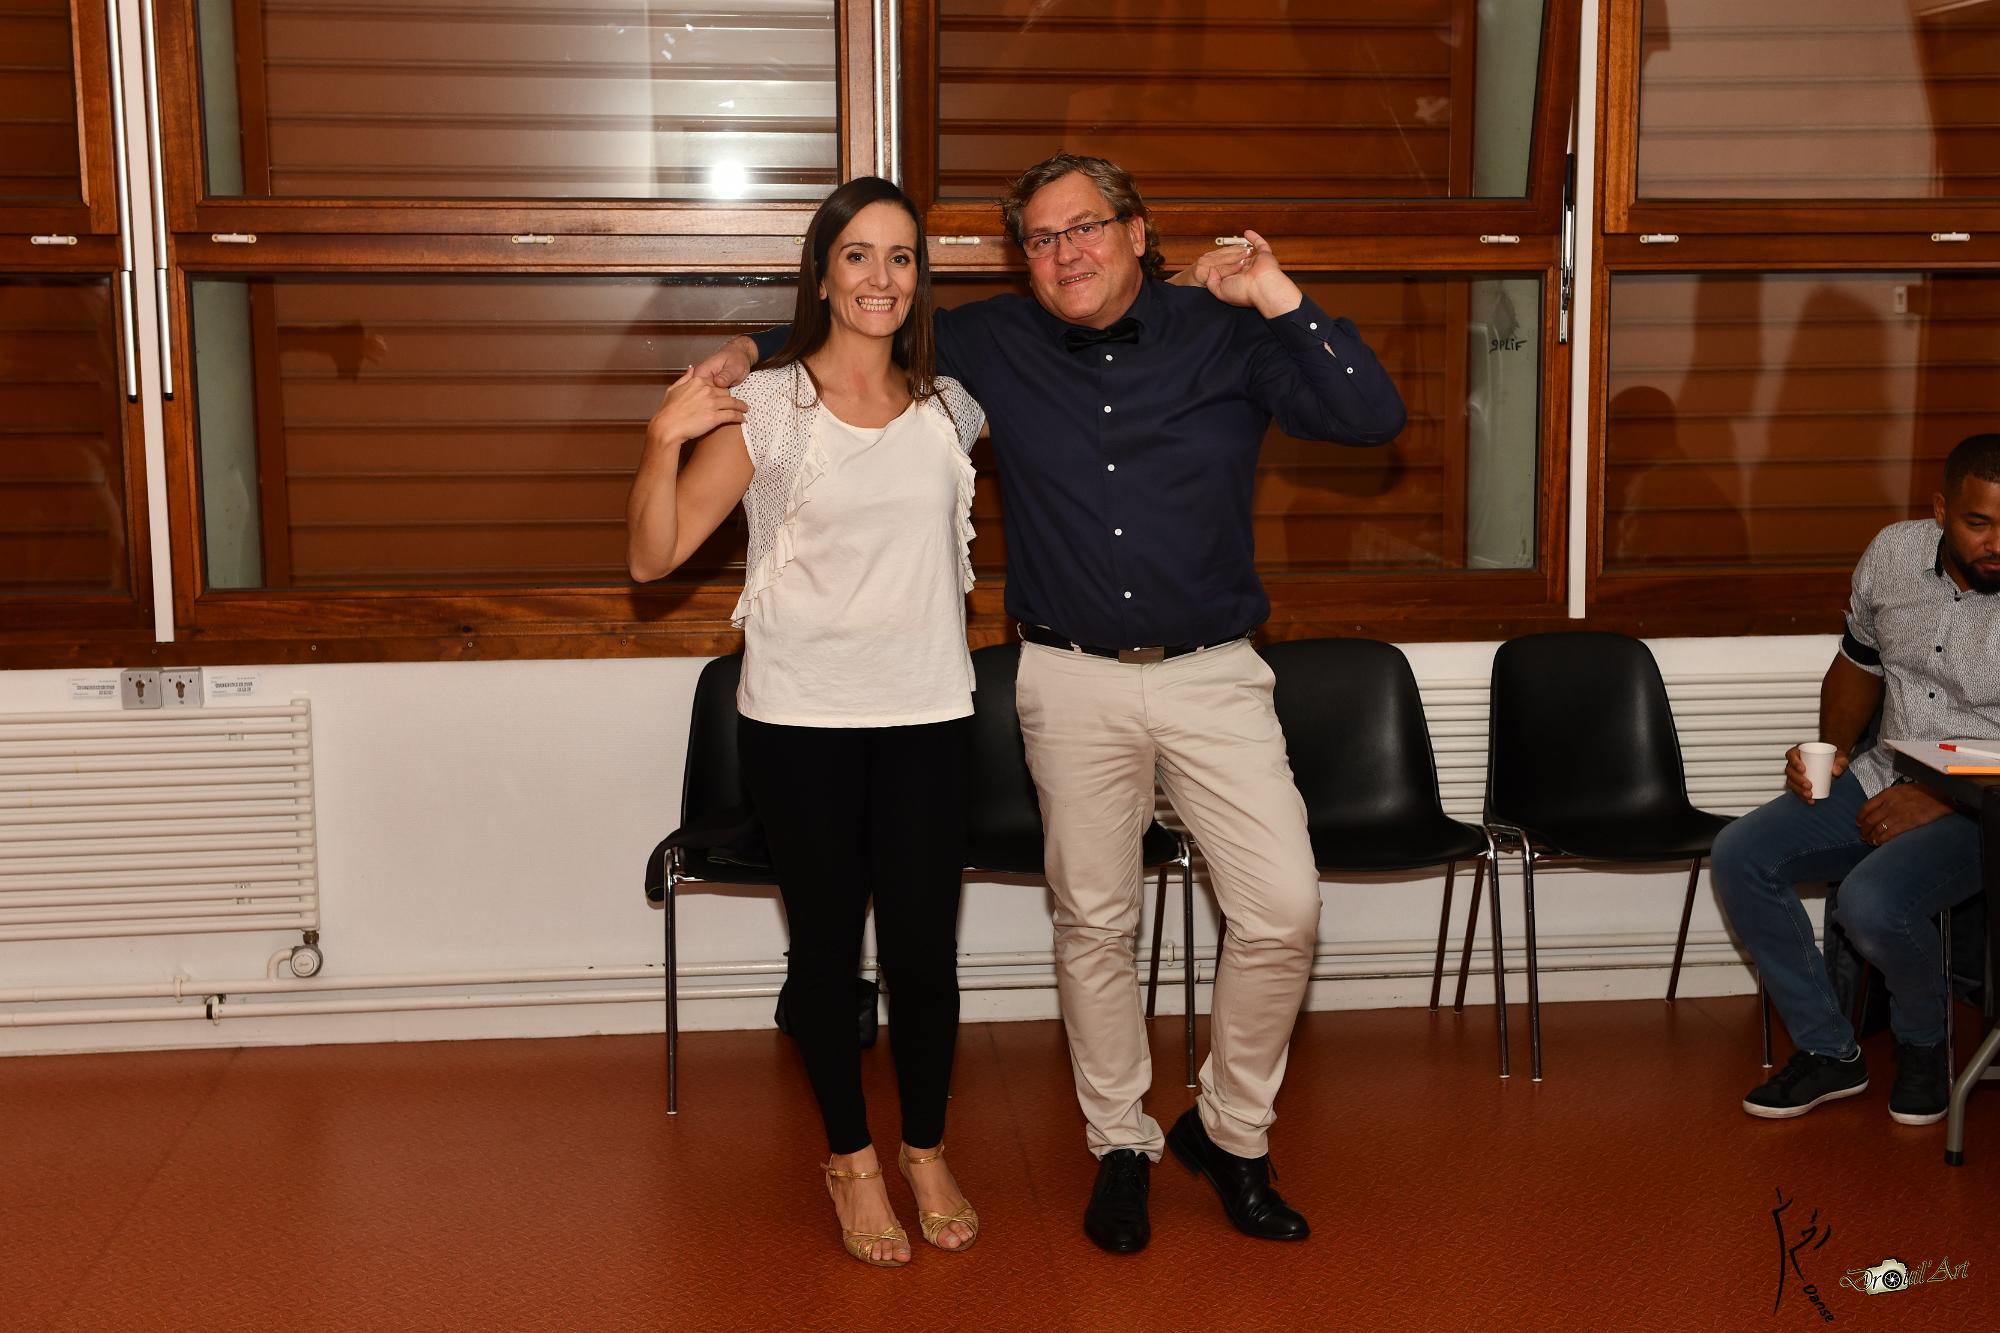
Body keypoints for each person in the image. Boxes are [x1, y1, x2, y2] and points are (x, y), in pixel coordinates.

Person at [693, 153, 1405, 1252]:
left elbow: (1369, 414)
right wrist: (744, 353)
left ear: (1136, 231)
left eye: (1086, 228)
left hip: (1215, 671)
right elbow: (852, 322)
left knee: (1283, 911)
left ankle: (1231, 1130)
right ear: (1020, 258)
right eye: (1040, 238)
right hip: (1068, 676)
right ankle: (1119, 1141)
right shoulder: (988, 342)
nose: (1065, 253)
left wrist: (1274, 290)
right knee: (1094, 923)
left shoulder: (1223, 331)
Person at [627, 176, 985, 1268]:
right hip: (799, 724)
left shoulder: (951, 407)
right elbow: (652, 557)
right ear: (823, 274)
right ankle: (851, 1159)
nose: (881, 277)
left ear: (919, 278)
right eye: (857, 255)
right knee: (827, 953)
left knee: (924, 954)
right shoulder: (772, 407)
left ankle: (924, 1148)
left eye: (901, 257)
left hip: (929, 713)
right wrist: (661, 439)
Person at [1711, 432, 2000, 1126]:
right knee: (1741, 854)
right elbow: (1858, 662)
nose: (1998, 543)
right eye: (1979, 522)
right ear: (1940, 511)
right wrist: (1833, 748)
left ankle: (1924, 1046)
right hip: (1885, 771)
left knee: (1870, 903)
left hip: (1984, 807)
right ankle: (1829, 1049)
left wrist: (1941, 795)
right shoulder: (1893, 555)